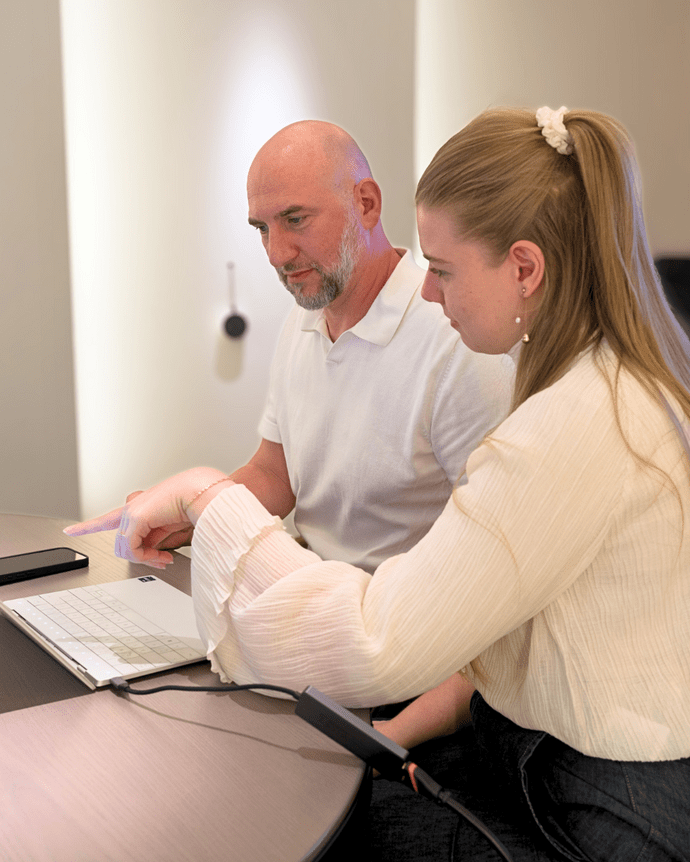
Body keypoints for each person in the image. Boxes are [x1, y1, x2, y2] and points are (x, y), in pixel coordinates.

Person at [65, 106, 690, 861]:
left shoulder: (564, 422)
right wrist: (208, 513)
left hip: (587, 804)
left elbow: (379, 639)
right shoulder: (610, 387)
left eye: (447, 271)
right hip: (546, 755)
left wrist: (208, 498)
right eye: (261, 228)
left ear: (524, 268)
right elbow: (283, 481)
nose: (431, 292)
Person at [149, 120, 511, 574]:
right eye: (262, 228)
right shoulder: (302, 321)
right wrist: (192, 514)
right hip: (314, 595)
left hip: (398, 619)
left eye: (295, 220)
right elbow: (275, 474)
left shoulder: (457, 342)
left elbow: (493, 538)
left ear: (366, 204)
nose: (277, 253)